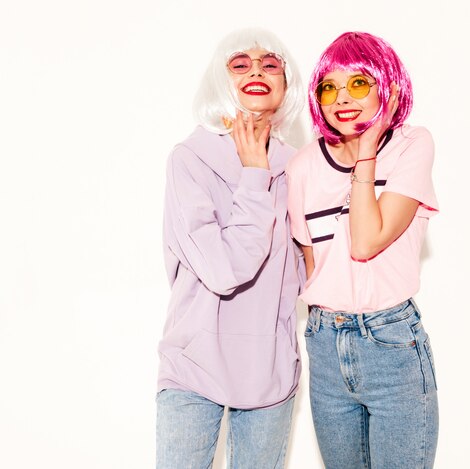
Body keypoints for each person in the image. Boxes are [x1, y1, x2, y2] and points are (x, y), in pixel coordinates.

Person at [286, 31, 439, 468]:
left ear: (386, 85)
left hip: (390, 341)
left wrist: (367, 152)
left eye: (357, 83)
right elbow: (314, 267)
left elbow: (366, 241)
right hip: (326, 343)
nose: (341, 98)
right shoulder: (303, 167)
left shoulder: (412, 145)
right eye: (329, 87)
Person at [156, 28, 304, 468]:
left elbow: (306, 269)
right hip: (193, 368)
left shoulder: (299, 166)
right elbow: (223, 270)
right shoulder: (190, 158)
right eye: (240, 64)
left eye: (270, 64)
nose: (256, 70)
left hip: (270, 374)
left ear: (286, 84)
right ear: (221, 80)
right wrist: (254, 175)